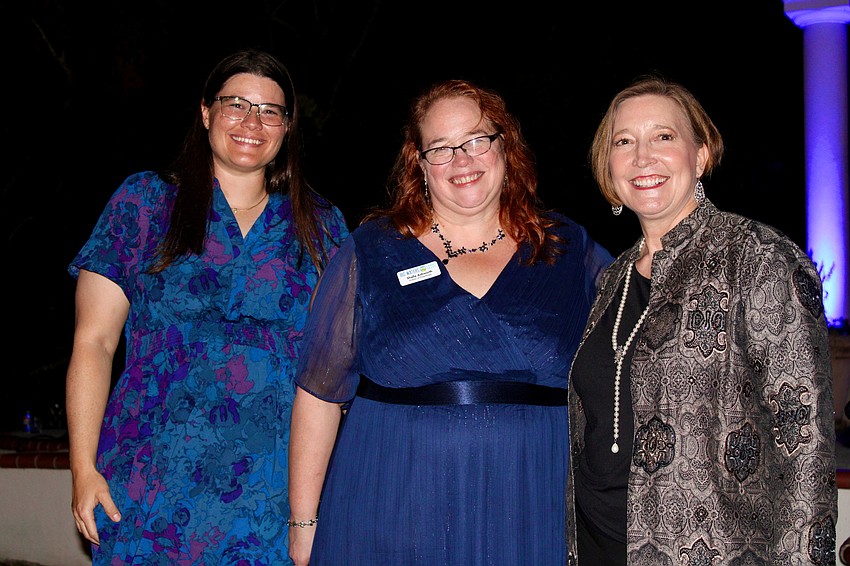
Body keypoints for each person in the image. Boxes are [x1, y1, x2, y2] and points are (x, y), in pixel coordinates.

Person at [287, 78, 613, 565]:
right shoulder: (371, 251)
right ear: (419, 164)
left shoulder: (569, 251)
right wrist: (303, 523)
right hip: (390, 503)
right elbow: (319, 394)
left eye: (477, 140)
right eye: (441, 148)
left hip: (530, 505)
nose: (462, 160)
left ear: (505, 146)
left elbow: (639, 341)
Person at [65, 48, 349, 564]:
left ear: (287, 128)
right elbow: (94, 342)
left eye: (270, 111)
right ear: (205, 112)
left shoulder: (321, 224)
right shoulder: (144, 203)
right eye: (236, 104)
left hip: (273, 486)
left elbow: (333, 367)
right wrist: (83, 468)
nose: (251, 122)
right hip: (150, 475)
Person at [567, 74, 838, 564]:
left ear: (701, 155)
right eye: (624, 142)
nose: (642, 157)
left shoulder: (758, 258)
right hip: (596, 548)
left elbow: (805, 448)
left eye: (663, 136)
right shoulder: (613, 278)